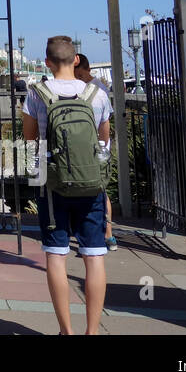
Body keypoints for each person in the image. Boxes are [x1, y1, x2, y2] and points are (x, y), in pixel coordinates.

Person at [22, 36, 112, 334]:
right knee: (94, 256)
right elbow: (104, 138)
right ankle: (92, 331)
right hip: (91, 183)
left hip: (52, 183)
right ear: (76, 60)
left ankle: (66, 331)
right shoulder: (96, 94)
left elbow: (30, 137)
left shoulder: (37, 94)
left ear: (47, 62)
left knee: (56, 255)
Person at [76, 53, 117, 251]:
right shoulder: (100, 90)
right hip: (99, 149)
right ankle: (106, 234)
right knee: (100, 192)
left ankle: (103, 235)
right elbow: (106, 125)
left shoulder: (93, 89)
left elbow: (104, 127)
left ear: (82, 69)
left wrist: (100, 148)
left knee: (96, 194)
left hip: (91, 150)